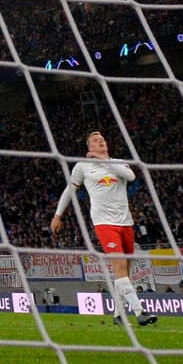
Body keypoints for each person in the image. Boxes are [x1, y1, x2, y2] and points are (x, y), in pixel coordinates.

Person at [51, 131, 157, 326]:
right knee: (119, 265)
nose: (100, 141)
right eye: (95, 140)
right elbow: (69, 190)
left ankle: (118, 315)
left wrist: (103, 160)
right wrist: (58, 215)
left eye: (102, 139)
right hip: (104, 223)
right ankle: (140, 312)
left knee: (124, 271)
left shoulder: (118, 163)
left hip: (126, 223)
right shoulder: (82, 166)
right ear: (89, 147)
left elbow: (131, 176)